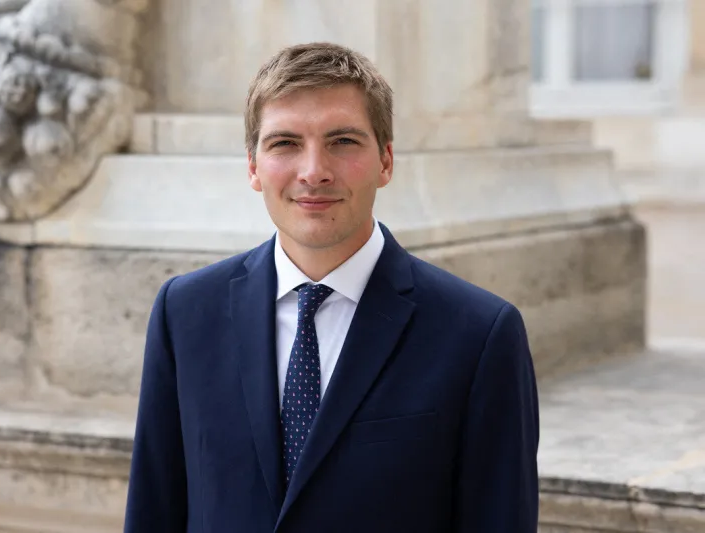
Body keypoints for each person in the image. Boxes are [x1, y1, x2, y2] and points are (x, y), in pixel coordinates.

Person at [124, 42, 539, 533]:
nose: (314, 171)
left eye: (342, 141)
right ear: (253, 166)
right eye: (284, 143)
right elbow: (156, 507)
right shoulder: (185, 313)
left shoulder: (479, 335)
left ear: (386, 161)